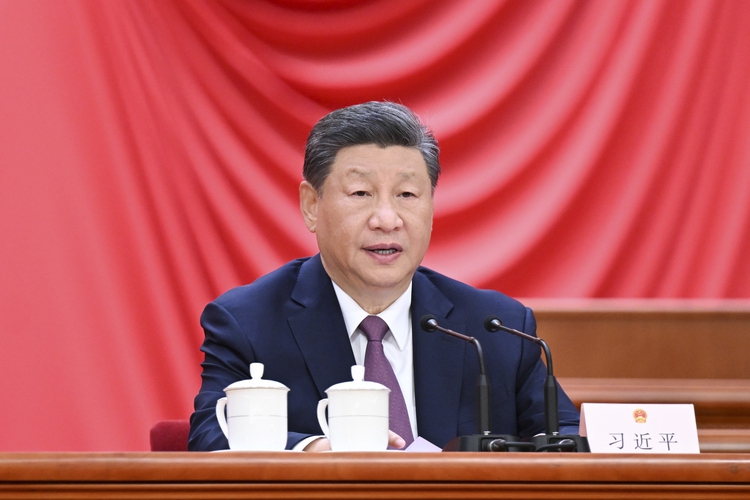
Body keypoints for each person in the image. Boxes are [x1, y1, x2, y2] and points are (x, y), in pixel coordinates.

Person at [188, 101, 580, 452]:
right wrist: (312, 451)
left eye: (407, 195)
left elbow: (568, 439)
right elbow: (211, 434)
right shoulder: (248, 322)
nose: (387, 220)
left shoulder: (495, 329)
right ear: (311, 205)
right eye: (361, 193)